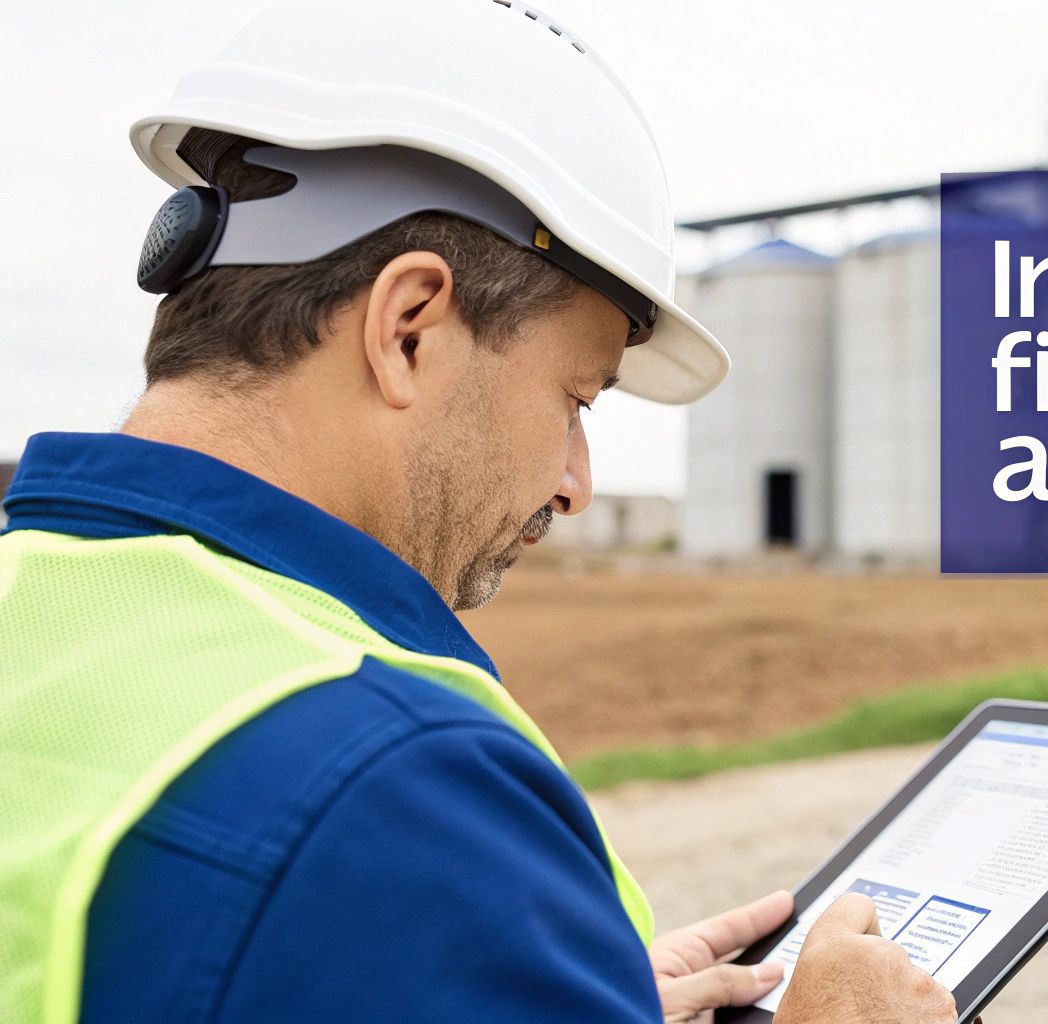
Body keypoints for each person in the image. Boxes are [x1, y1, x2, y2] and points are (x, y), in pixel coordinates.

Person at [0, 1, 958, 1021]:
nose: (575, 483)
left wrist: (528, 985)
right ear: (409, 329)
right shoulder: (399, 784)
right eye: (577, 398)